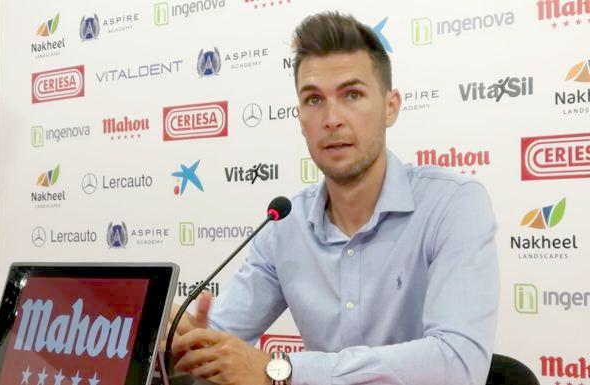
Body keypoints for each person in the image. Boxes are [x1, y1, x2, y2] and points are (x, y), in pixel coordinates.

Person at [169, 11, 499, 385]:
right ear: (299, 118)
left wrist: (283, 372)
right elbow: (224, 335)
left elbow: (458, 362)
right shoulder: (284, 225)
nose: (332, 118)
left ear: (390, 107)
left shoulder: (454, 205)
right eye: (313, 100)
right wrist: (192, 343)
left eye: (352, 94)